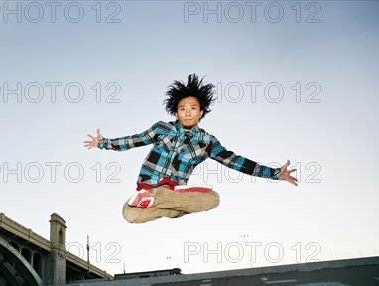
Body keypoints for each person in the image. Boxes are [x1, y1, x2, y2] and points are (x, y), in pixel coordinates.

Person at [84, 74, 298, 224]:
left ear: (201, 112)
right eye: (183, 109)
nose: (187, 113)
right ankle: (162, 201)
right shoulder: (162, 129)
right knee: (128, 214)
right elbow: (134, 140)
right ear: (176, 112)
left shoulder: (207, 142)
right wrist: (103, 143)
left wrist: (274, 173)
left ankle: (168, 200)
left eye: (192, 109)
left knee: (214, 199)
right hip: (149, 189)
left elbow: (235, 161)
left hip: (176, 191)